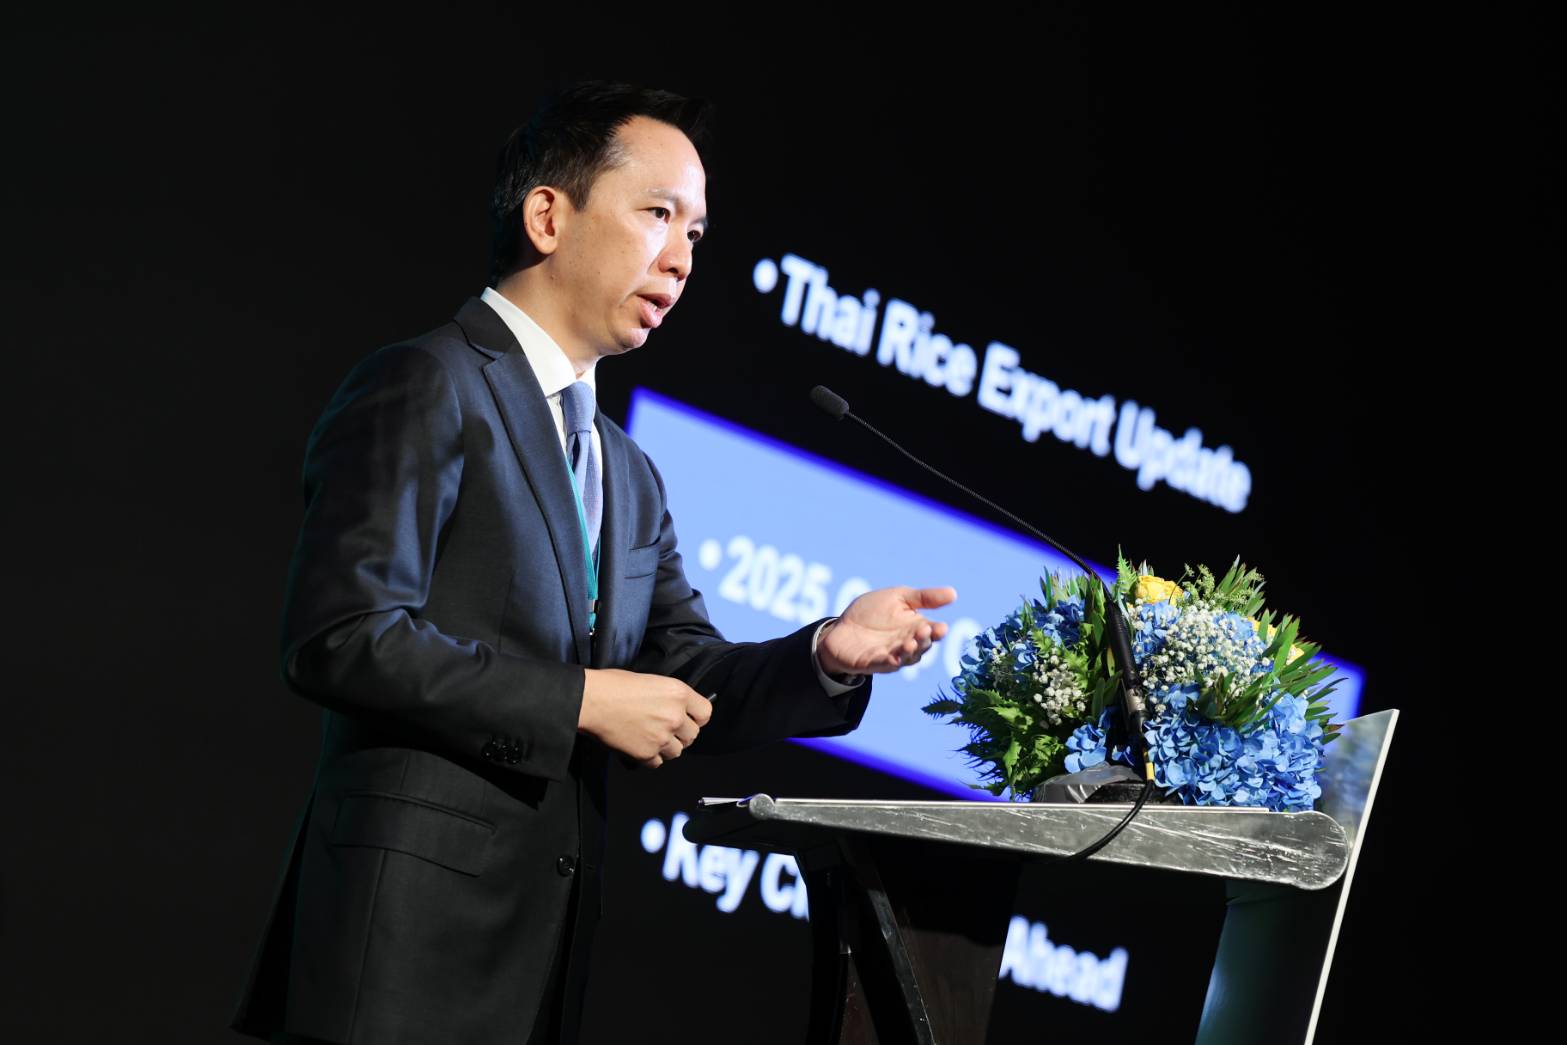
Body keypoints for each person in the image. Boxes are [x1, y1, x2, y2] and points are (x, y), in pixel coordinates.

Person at [231, 80, 956, 1045]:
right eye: (657, 214)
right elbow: (342, 638)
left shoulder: (626, 467)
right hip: (398, 950)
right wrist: (579, 698)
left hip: (538, 955)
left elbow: (682, 672)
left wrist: (824, 652)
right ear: (548, 216)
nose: (681, 257)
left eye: (695, 233)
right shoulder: (426, 382)